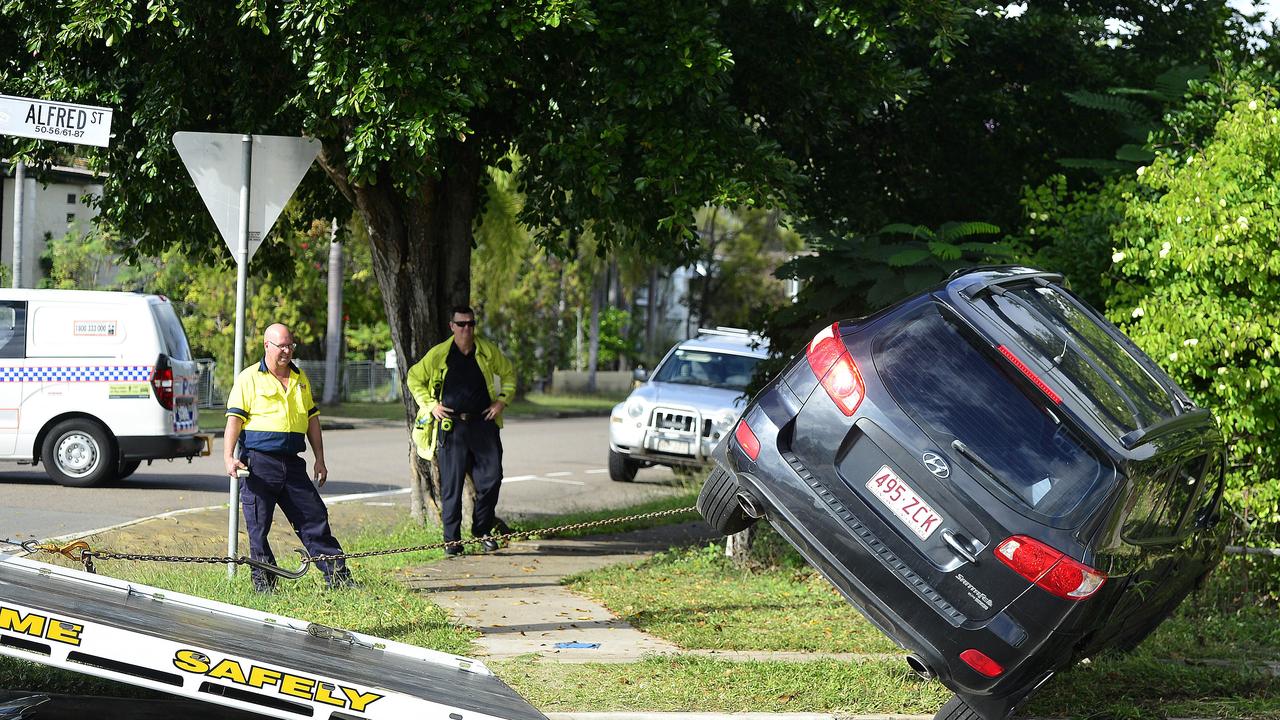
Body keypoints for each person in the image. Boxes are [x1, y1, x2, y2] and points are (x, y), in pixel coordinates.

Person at [223, 323, 355, 591]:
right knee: (258, 528)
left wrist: (320, 458)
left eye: (290, 345)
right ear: (266, 345)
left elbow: (312, 420)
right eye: (281, 345)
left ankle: (338, 578)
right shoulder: (249, 378)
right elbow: (234, 420)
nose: (286, 350)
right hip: (259, 463)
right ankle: (264, 585)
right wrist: (228, 456)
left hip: (293, 464)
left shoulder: (300, 377)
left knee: (314, 517)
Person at [408, 305, 515, 557]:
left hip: (483, 424)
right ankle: (452, 541)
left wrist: (501, 401)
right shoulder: (440, 354)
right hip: (451, 427)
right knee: (451, 487)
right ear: (452, 326)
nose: (467, 329)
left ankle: (482, 530)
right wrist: (430, 405)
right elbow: (414, 377)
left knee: (492, 478)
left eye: (471, 324)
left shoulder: (487, 351)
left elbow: (509, 374)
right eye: (461, 324)